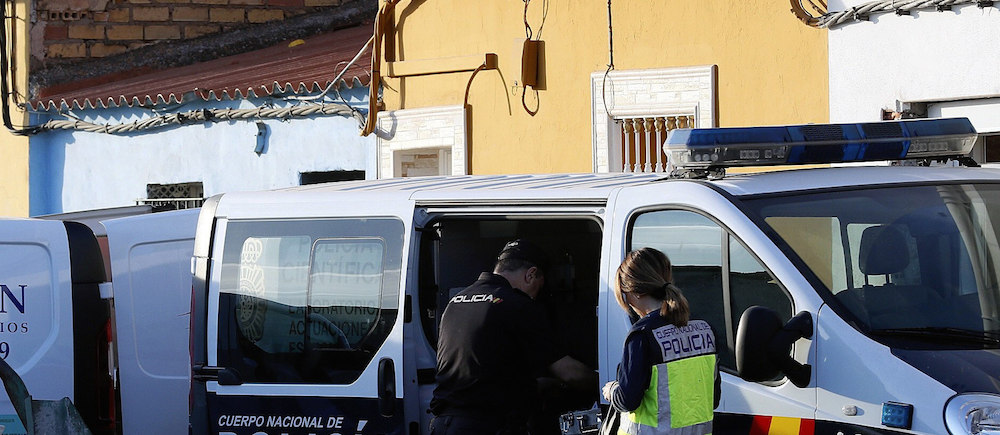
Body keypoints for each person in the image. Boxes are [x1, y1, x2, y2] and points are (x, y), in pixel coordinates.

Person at [430, 239, 595, 435]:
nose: (535, 297)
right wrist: (607, 385)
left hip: (443, 425)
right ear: (531, 274)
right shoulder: (518, 305)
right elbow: (568, 372)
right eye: (538, 288)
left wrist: (535, 385)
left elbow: (480, 365)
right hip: (486, 426)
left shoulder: (455, 302)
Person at [602, 247, 720, 435]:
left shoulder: (642, 334)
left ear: (636, 292)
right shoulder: (705, 329)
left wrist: (612, 390)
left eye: (624, 292)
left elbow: (628, 400)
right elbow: (713, 398)